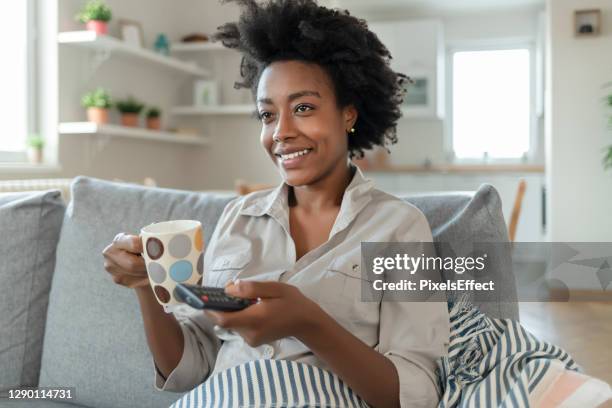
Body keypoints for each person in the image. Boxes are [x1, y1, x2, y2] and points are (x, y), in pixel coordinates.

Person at [102, 0, 449, 406]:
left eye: (303, 108)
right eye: (267, 115)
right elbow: (191, 366)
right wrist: (146, 286)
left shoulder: (399, 228)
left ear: (348, 114)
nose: (281, 132)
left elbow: (418, 394)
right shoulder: (238, 216)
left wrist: (308, 323)